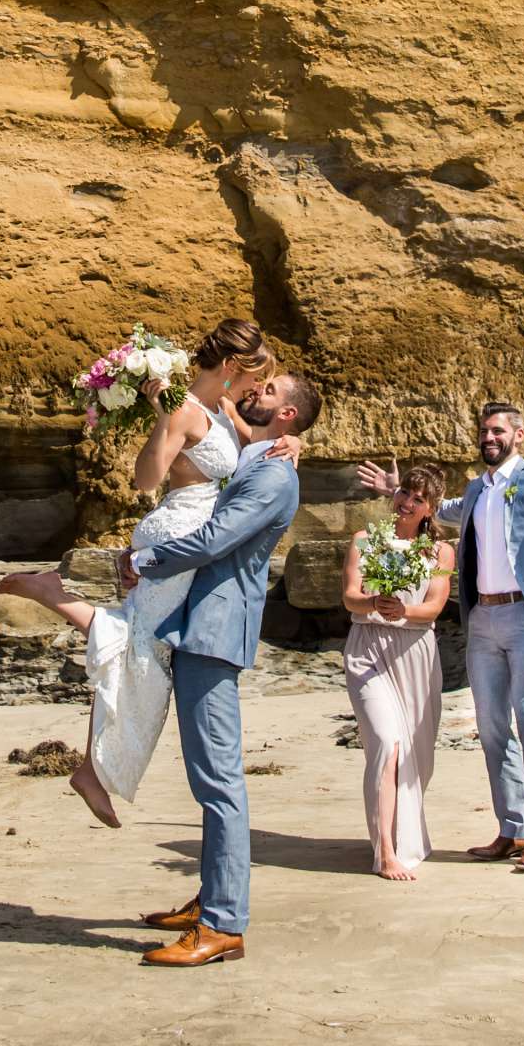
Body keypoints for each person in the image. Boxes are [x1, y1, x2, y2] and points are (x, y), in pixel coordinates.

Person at [0, 319, 294, 827]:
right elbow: (145, 479)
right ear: (230, 367)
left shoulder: (221, 408)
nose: (252, 390)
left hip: (198, 538)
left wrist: (293, 446)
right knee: (144, 647)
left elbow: (255, 451)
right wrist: (164, 420)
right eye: (253, 378)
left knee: (146, 647)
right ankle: (54, 598)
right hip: (178, 534)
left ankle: (92, 766)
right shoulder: (183, 410)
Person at [357, 402, 524, 874]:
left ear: (518, 436)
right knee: (492, 729)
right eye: (484, 430)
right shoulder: (475, 490)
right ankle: (512, 829)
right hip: (482, 617)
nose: (490, 437)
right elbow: (438, 509)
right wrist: (398, 490)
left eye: (498, 430)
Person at [122, 372, 321, 966]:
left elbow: (215, 539)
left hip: (214, 630)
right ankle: (212, 897)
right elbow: (224, 403)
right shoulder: (260, 455)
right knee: (208, 778)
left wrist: (145, 558)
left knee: (219, 782)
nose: (258, 390)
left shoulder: (272, 475)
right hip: (197, 624)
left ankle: (223, 925)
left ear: (286, 416)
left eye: (272, 391)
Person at [338, 465, 455, 881]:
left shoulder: (440, 553)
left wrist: (404, 611)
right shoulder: (365, 541)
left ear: (431, 508)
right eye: (404, 493)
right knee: (387, 743)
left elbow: (436, 606)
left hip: (415, 655)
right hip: (368, 651)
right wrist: (372, 604)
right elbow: (351, 597)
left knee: (417, 755)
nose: (406, 503)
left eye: (418, 499)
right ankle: (385, 851)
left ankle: (402, 834)